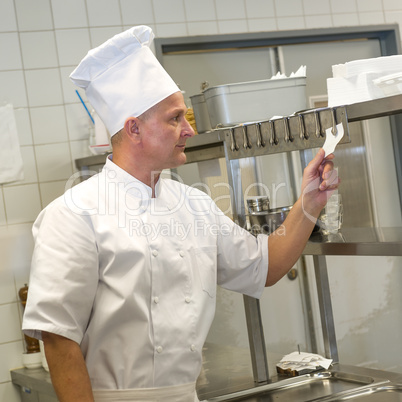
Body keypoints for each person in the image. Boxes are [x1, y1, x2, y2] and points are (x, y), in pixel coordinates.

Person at [22, 26, 338, 402]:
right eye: (175, 119)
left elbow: (265, 265)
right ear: (134, 128)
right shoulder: (74, 214)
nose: (189, 129)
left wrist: (309, 202)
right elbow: (59, 342)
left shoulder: (194, 204)